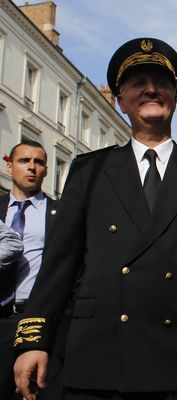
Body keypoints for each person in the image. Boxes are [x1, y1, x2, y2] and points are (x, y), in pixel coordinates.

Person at [13, 38, 177, 400]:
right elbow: (60, 263)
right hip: (99, 355)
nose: (151, 89)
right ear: (121, 101)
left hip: (176, 356)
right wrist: (34, 340)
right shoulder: (89, 169)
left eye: (161, 82)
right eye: (138, 83)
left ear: (175, 97)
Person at [0, 140, 59, 400]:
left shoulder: (62, 214)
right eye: (25, 161)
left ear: (46, 170)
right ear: (10, 165)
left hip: (35, 318)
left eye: (39, 162)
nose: (32, 167)